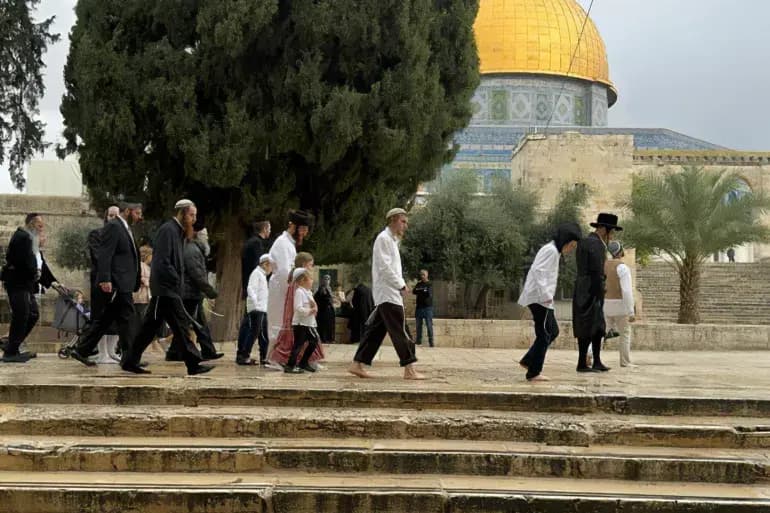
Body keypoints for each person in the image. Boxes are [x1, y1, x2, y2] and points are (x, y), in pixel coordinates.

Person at [121, 199, 211, 375]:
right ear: (182, 213)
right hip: (165, 289)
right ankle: (193, 363)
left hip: (169, 289)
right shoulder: (168, 230)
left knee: (150, 328)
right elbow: (162, 261)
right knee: (180, 325)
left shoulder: (177, 231)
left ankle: (130, 360)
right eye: (191, 215)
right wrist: (176, 279)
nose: (194, 219)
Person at [349, 208, 424, 380]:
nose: (405, 226)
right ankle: (409, 369)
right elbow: (385, 268)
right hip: (388, 294)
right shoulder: (383, 239)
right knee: (401, 331)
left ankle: (357, 364)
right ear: (393, 220)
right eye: (403, 221)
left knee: (375, 331)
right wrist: (401, 285)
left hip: (388, 294)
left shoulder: (391, 241)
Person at [70, 202, 143, 367]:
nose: (140, 217)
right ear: (128, 211)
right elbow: (105, 254)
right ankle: (130, 359)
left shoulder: (125, 228)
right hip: (117, 281)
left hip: (123, 282)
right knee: (127, 318)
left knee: (107, 319)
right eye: (137, 213)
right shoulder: (114, 227)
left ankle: (81, 350)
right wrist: (105, 278)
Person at [518, 223, 582, 381]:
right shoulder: (551, 251)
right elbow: (538, 271)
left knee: (552, 331)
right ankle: (534, 372)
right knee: (545, 334)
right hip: (540, 299)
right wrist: (546, 295)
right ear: (565, 241)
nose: (571, 249)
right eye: (571, 246)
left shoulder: (553, 251)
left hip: (542, 299)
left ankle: (528, 360)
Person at [1, 213, 56, 362]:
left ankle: (11, 345)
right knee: (22, 315)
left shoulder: (30, 240)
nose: (41, 229)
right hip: (18, 283)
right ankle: (11, 352)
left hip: (25, 284)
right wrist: (33, 272)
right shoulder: (23, 237)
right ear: (31, 224)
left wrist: (52, 282)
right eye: (39, 225)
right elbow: (21, 261)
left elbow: (40, 265)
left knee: (32, 314)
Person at [573, 212, 622, 373]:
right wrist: (600, 290)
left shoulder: (584, 242)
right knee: (594, 326)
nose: (612, 235)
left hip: (582, 288)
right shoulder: (597, 245)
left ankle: (590, 361)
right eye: (611, 231)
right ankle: (587, 362)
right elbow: (596, 271)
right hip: (592, 290)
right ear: (604, 229)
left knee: (588, 326)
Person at [167, 225, 223, 361]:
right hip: (189, 293)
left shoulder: (195, 249)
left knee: (197, 323)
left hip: (193, 293)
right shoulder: (192, 250)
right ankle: (175, 352)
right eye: (206, 236)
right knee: (185, 324)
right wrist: (210, 291)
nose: (207, 238)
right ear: (199, 236)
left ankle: (207, 350)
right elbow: (196, 274)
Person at [267, 210, 314, 356]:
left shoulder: (290, 244)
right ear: (293, 226)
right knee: (278, 324)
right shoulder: (282, 243)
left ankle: (285, 356)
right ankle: (274, 358)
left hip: (287, 289)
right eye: (302, 229)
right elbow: (284, 272)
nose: (304, 233)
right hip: (280, 289)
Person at [269, 252, 325, 367]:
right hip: (298, 318)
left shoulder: (299, 282)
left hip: (305, 318)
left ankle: (306, 360)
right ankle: (289, 361)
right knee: (299, 341)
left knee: (308, 339)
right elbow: (293, 303)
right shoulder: (296, 284)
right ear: (304, 264)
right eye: (311, 265)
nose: (312, 267)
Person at [86, 205, 121, 364]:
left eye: (117, 215)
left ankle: (112, 352)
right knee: (100, 316)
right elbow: (99, 257)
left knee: (116, 318)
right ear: (106, 217)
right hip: (102, 281)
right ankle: (102, 353)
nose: (114, 218)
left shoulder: (123, 235)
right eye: (111, 215)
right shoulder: (96, 234)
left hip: (118, 281)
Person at [604, 241, 637, 367]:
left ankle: (590, 353)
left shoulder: (604, 265)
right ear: (620, 251)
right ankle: (625, 361)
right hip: (620, 306)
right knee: (625, 333)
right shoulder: (622, 268)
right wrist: (631, 311)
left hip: (606, 304)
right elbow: (626, 291)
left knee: (602, 332)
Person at [236, 254, 272, 365]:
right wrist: (256, 304)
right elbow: (251, 289)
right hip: (257, 309)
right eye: (271, 266)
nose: (272, 269)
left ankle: (264, 356)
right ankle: (244, 355)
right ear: (265, 264)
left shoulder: (262, 275)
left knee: (263, 333)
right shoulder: (256, 273)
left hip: (262, 308)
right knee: (254, 332)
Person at [285, 268, 320, 374]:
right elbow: (298, 308)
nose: (312, 281)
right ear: (302, 281)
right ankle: (290, 365)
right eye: (310, 279)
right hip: (301, 323)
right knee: (299, 344)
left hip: (308, 323)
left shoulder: (308, 292)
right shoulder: (299, 292)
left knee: (313, 341)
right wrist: (310, 311)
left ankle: (303, 363)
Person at [241, 220, 271, 299]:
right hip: (253, 284)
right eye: (269, 229)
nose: (270, 231)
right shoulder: (257, 243)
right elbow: (257, 264)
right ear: (264, 229)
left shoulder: (252, 241)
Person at [412, 269, 434, 347]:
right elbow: (414, 291)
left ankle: (431, 342)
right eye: (421, 275)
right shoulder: (419, 283)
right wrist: (422, 290)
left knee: (429, 325)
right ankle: (418, 341)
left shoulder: (429, 284)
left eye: (424, 274)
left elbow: (429, 294)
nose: (422, 276)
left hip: (427, 308)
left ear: (427, 275)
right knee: (418, 326)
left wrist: (420, 290)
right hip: (419, 308)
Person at [314, 274, 336, 344]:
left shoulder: (329, 288)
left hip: (329, 310)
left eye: (328, 279)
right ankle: (324, 339)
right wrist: (331, 300)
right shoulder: (322, 288)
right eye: (326, 279)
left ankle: (329, 339)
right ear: (323, 280)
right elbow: (324, 298)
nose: (327, 280)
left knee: (329, 325)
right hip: (324, 310)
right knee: (324, 325)